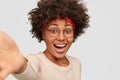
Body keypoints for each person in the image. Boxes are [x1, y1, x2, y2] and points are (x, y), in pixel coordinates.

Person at [0, 0, 89, 80]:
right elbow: (29, 72)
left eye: (67, 31)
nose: (61, 38)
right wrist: (20, 65)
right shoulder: (37, 61)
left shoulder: (76, 64)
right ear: (43, 34)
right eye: (53, 31)